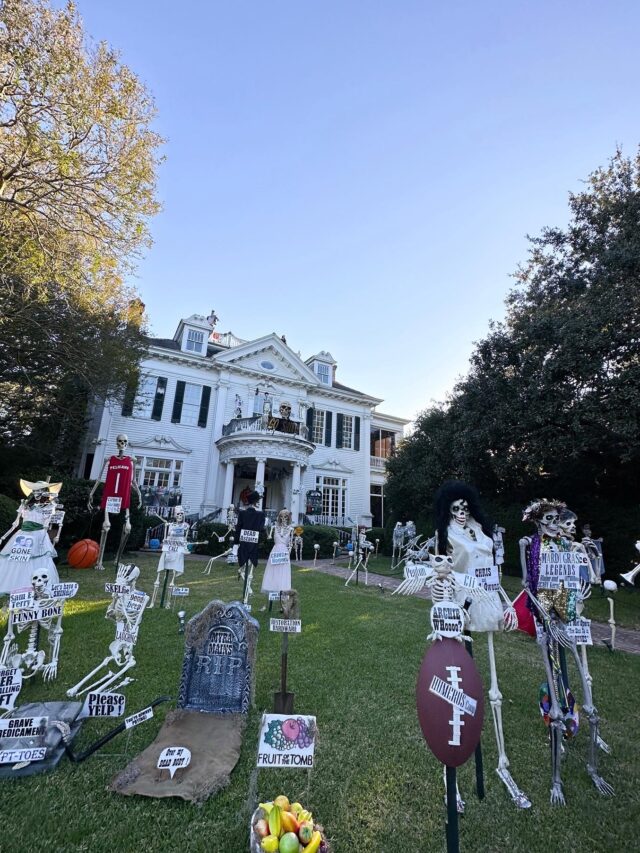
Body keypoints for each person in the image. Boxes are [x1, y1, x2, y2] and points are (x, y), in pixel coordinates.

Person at [0, 479, 62, 594]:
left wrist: (48, 535)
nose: (38, 493)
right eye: (36, 490)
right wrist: (4, 536)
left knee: (37, 559)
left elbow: (47, 525)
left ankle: (37, 585)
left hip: (38, 535)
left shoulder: (48, 507)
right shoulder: (25, 505)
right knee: (18, 557)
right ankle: (15, 584)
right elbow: (16, 523)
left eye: (41, 490)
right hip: (22, 535)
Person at [234, 490, 266, 603]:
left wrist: (235, 543)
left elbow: (238, 529)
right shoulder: (261, 514)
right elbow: (262, 530)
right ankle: (247, 594)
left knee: (245, 566)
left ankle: (247, 594)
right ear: (256, 502)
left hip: (244, 544)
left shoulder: (242, 513)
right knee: (250, 568)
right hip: (253, 544)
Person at [262, 509, 293, 594]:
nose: (283, 518)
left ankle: (283, 589)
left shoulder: (291, 529)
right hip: (275, 550)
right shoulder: (274, 527)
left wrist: (289, 550)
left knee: (283, 570)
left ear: (288, 517)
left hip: (284, 552)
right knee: (274, 569)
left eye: (286, 516)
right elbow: (269, 537)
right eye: (282, 516)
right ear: (279, 517)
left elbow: (291, 543)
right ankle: (272, 587)